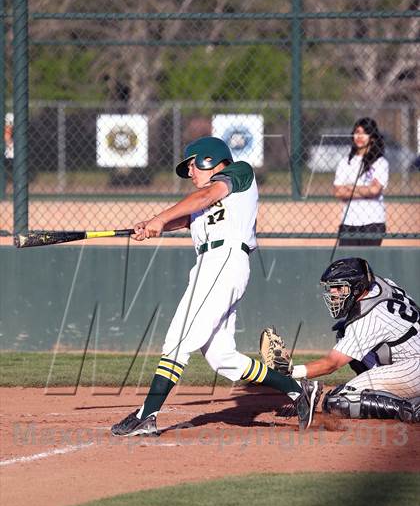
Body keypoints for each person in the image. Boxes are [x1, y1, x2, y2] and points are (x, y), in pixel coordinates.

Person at [111, 136, 321, 436]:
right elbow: (184, 218)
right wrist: (151, 225)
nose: (191, 174)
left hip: (224, 260)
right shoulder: (203, 199)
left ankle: (148, 413)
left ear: (210, 159)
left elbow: (205, 198)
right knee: (222, 358)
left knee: (178, 339)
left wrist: (159, 217)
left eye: (193, 166)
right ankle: (299, 391)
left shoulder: (238, 173)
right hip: (211, 264)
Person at [286, 257, 420, 422]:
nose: (333, 293)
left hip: (414, 366)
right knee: (343, 332)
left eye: (338, 287)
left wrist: (290, 372)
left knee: (337, 402)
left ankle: (411, 410)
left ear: (357, 288)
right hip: (410, 355)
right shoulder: (382, 284)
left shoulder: (369, 317)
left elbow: (331, 364)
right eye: (331, 287)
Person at [334, 118, 389, 246]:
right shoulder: (345, 162)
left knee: (366, 263)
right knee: (348, 264)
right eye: (357, 132)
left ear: (373, 138)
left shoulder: (380, 163)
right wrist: (366, 190)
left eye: (365, 133)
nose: (359, 136)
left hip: (373, 222)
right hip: (348, 223)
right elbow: (338, 192)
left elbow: (375, 190)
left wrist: (350, 187)